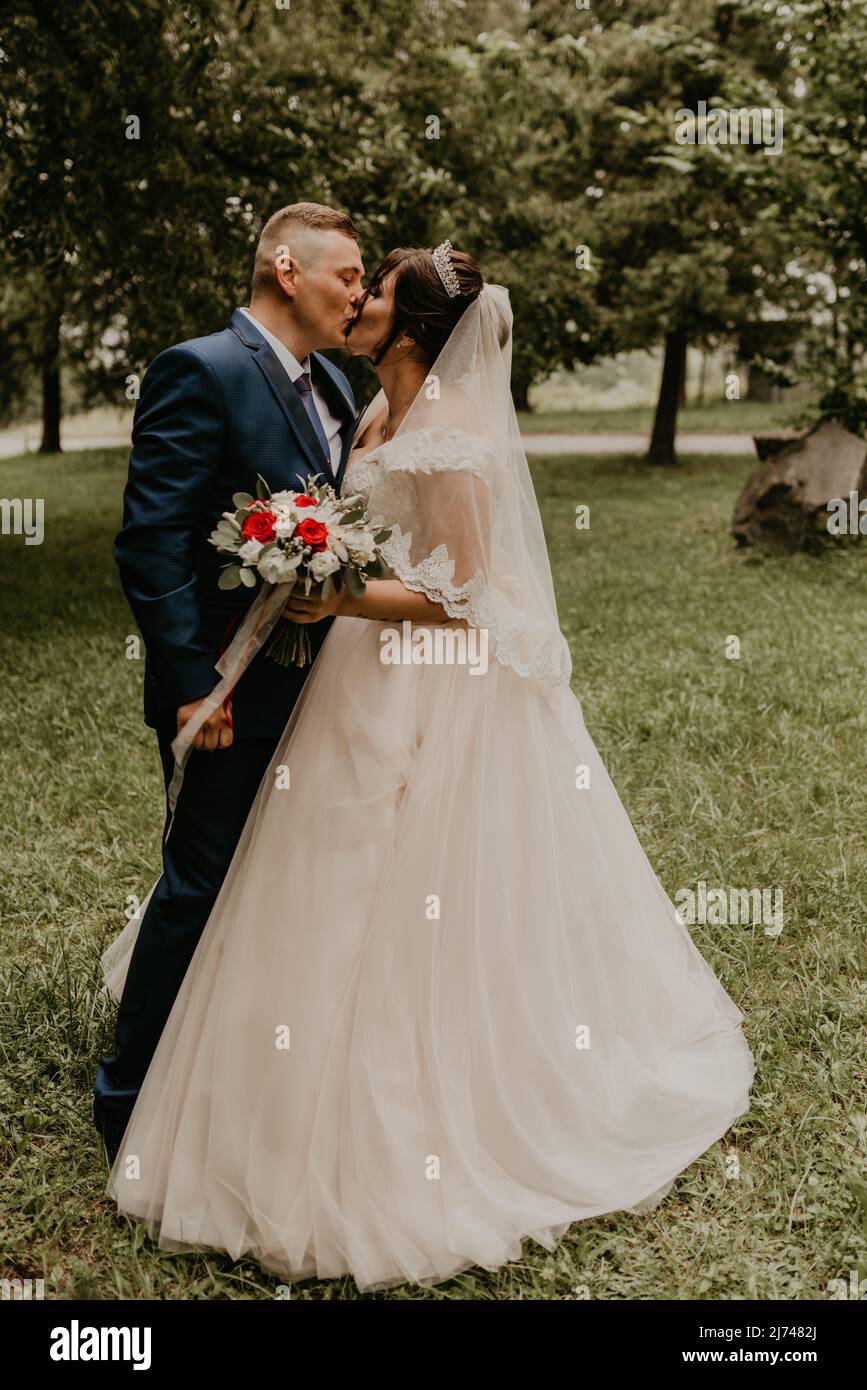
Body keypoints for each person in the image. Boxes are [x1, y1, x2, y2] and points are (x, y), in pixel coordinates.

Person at [101, 240, 755, 1293]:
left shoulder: (451, 439)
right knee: (301, 868)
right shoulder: (369, 412)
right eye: (351, 280)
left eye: (375, 290)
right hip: (345, 677)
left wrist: (341, 594)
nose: (357, 300)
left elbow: (464, 597)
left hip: (413, 678)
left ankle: (386, 1112)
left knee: (391, 881)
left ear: (405, 330)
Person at [93, 202, 364, 1160]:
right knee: (200, 883)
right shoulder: (198, 369)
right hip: (228, 690)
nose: (359, 294)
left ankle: (237, 1071)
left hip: (318, 690)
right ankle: (126, 1098)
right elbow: (151, 541)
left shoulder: (332, 380)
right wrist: (190, 684)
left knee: (277, 885)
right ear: (286, 268)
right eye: (347, 276)